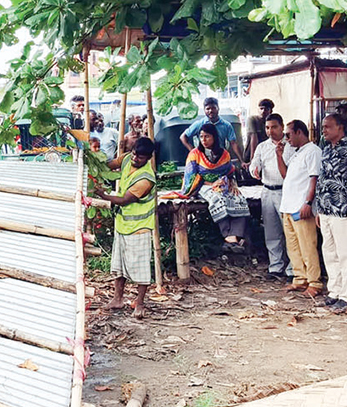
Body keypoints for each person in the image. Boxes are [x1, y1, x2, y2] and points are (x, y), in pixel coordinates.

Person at [96, 136, 157, 319]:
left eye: (140, 157)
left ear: (148, 158)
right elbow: (108, 166)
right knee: (119, 266)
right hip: (123, 224)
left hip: (139, 227)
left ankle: (139, 304)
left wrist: (102, 195)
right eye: (134, 154)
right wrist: (94, 159)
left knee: (140, 269)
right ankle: (118, 299)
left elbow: (124, 200)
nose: (136, 158)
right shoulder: (126, 158)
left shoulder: (146, 179)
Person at [313, 113, 347, 313]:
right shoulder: (326, 151)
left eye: (328, 127)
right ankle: (334, 291)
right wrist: (319, 207)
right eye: (324, 127)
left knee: (345, 253)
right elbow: (321, 180)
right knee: (329, 251)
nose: (324, 130)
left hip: (343, 209)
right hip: (325, 209)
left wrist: (344, 195)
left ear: (340, 128)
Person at [168, 124, 250, 250]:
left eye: (207, 136)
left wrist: (231, 183)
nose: (204, 140)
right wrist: (211, 184)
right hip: (201, 186)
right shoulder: (195, 154)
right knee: (218, 199)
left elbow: (229, 172)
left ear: (214, 137)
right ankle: (228, 236)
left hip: (222, 184)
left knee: (239, 198)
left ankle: (234, 236)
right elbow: (191, 177)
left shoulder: (224, 154)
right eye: (201, 137)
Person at [279, 120, 323, 298]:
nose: (286, 138)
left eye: (288, 134)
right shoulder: (297, 152)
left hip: (300, 206)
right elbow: (286, 175)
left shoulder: (313, 151)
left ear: (299, 132)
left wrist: (308, 202)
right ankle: (300, 277)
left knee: (307, 246)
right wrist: (279, 155)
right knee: (293, 246)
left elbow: (314, 178)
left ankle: (314, 282)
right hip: (288, 206)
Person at [248, 112, 294, 279]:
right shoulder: (262, 147)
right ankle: (275, 266)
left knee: (289, 231)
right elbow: (254, 164)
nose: (270, 131)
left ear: (282, 127)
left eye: (274, 127)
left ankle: (292, 268)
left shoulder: (291, 145)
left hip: (285, 191)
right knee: (272, 231)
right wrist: (254, 170)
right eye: (267, 128)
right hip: (267, 191)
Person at [181, 97, 243, 163]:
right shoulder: (199, 124)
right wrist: (195, 152)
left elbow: (233, 143)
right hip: (203, 160)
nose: (210, 111)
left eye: (213, 108)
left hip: (221, 158)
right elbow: (183, 137)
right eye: (208, 109)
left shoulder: (226, 125)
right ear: (204, 110)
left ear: (218, 108)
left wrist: (242, 161)